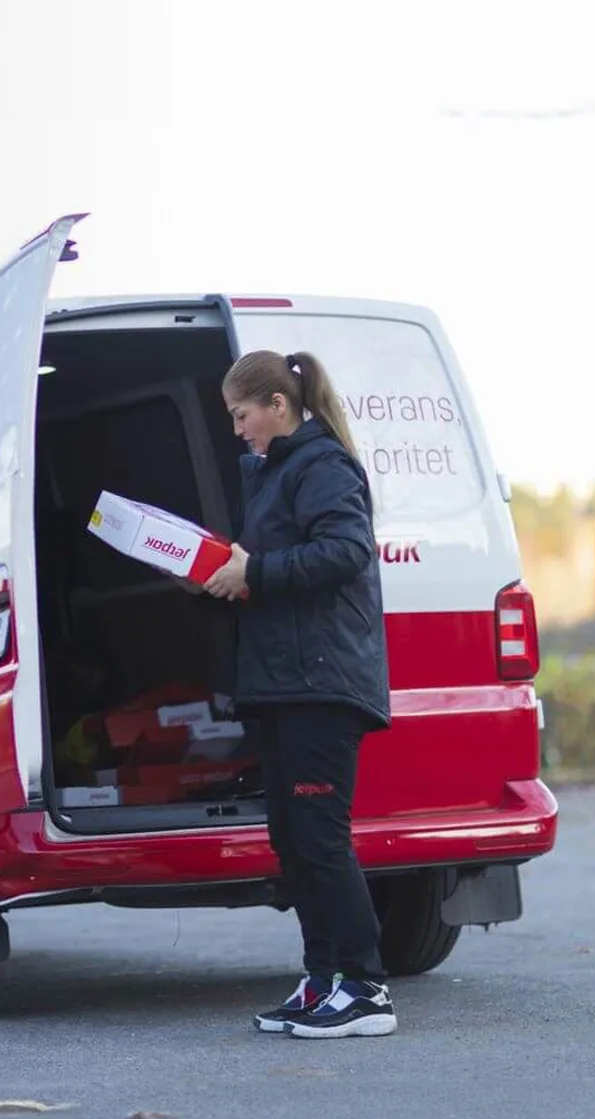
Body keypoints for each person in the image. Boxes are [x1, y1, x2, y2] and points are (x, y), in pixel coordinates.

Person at [200, 349, 396, 1039]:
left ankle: (366, 989)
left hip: (321, 685)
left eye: (241, 414)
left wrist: (258, 570)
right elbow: (272, 571)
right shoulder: (275, 474)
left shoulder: (323, 466)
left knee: (320, 837)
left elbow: (345, 551)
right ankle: (322, 982)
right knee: (292, 839)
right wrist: (230, 575)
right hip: (282, 686)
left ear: (277, 405)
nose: (238, 429)